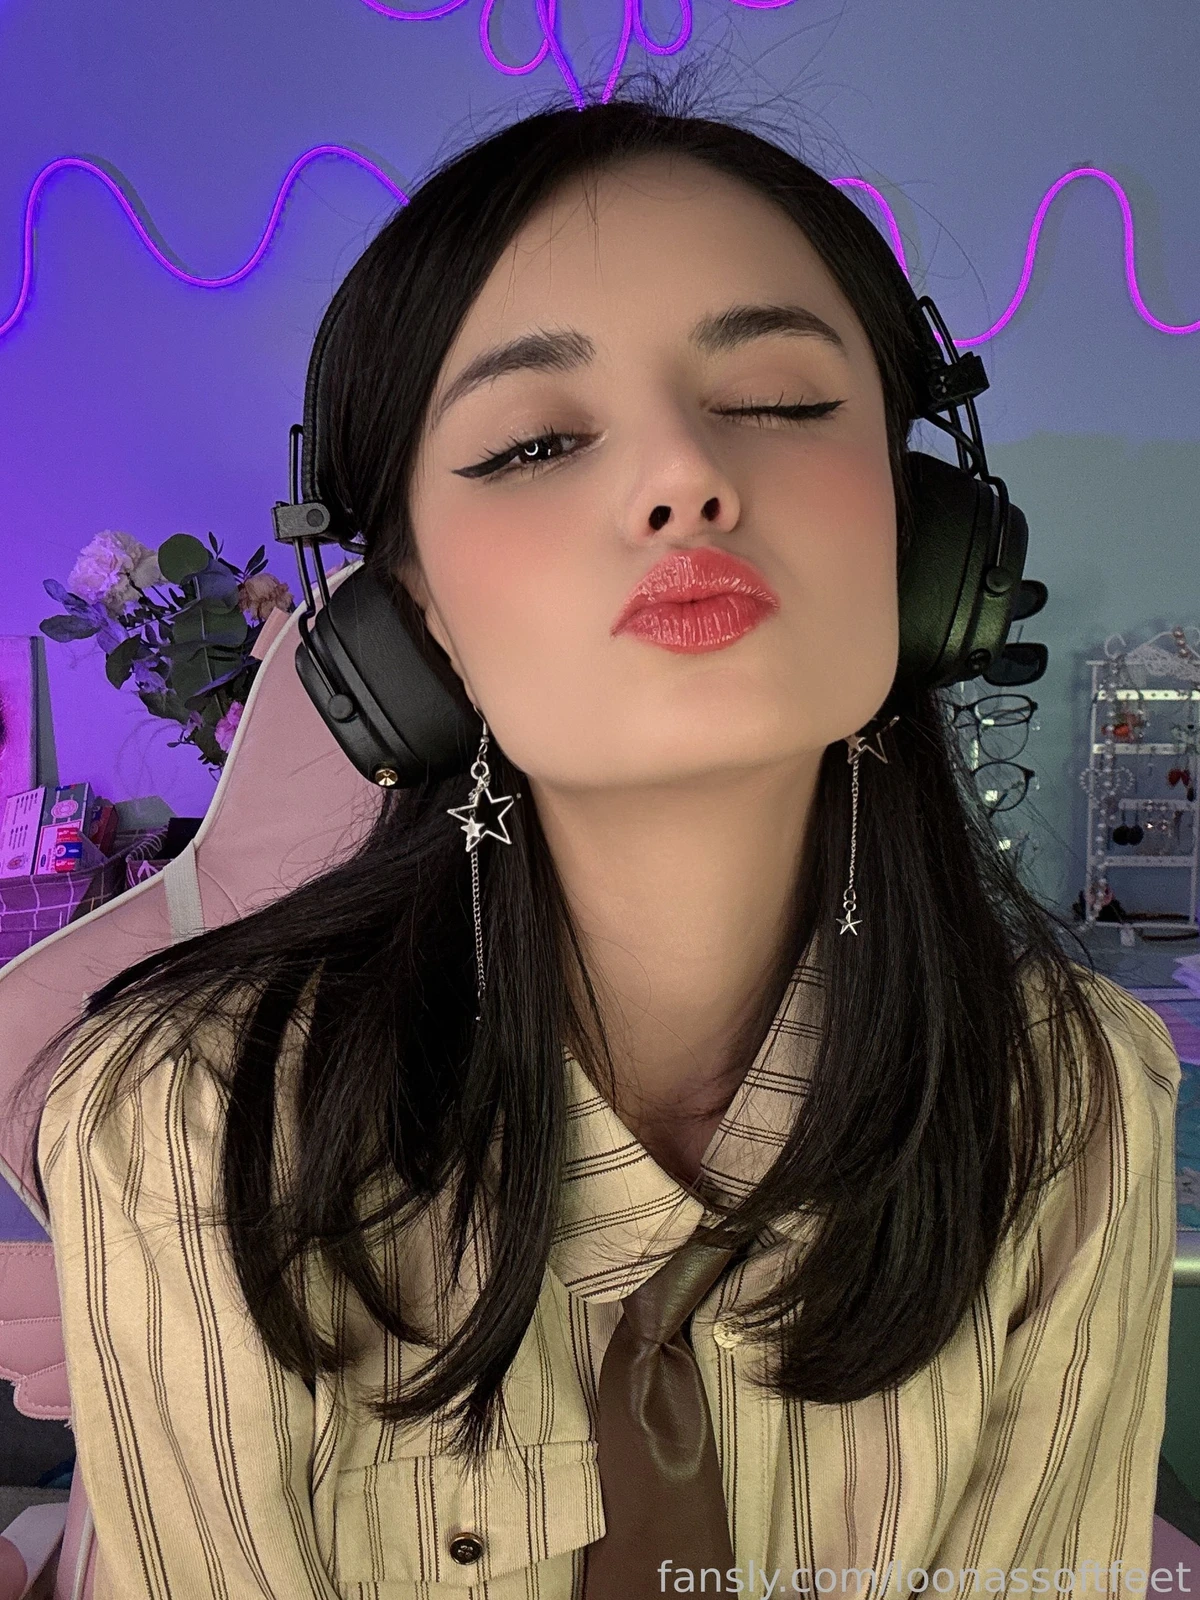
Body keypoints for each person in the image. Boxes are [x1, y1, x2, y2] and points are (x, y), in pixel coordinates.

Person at [19, 78, 1181, 1599]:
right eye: (531, 443)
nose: (684, 477)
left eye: (780, 402)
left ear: (926, 541)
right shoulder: (190, 1127)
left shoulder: (1070, 1097)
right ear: (409, 624)